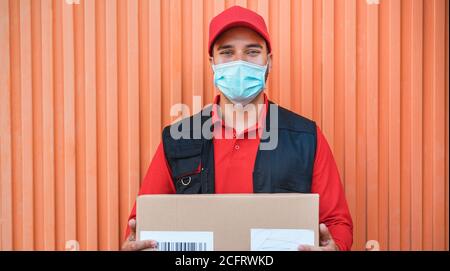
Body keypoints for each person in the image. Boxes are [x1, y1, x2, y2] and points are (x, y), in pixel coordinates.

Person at [121, 5, 353, 251]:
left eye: (252, 52)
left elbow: (337, 223)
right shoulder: (177, 139)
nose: (239, 62)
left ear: (269, 62)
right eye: (227, 52)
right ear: (213, 63)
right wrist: (133, 245)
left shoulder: (306, 138)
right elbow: (140, 225)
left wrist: (335, 247)